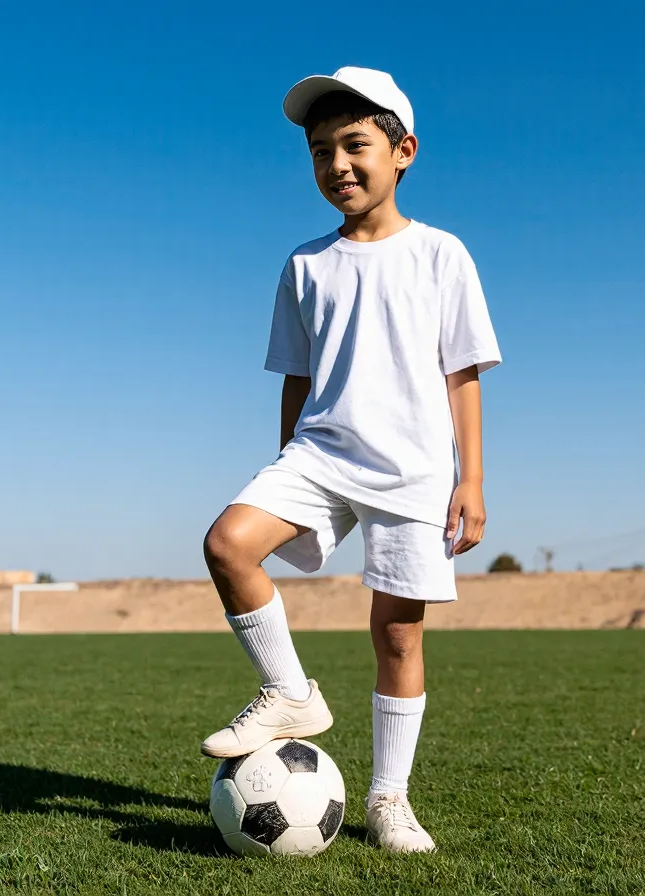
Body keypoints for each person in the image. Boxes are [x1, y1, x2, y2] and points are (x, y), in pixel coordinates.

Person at [201, 66, 501, 853]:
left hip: (415, 469)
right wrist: (283, 462)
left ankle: (389, 799)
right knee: (228, 543)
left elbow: (461, 371)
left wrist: (472, 476)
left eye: (354, 144)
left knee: (398, 637)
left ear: (403, 151)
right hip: (320, 452)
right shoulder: (305, 265)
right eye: (319, 150)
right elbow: (298, 376)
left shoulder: (442, 254)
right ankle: (289, 692)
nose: (337, 164)